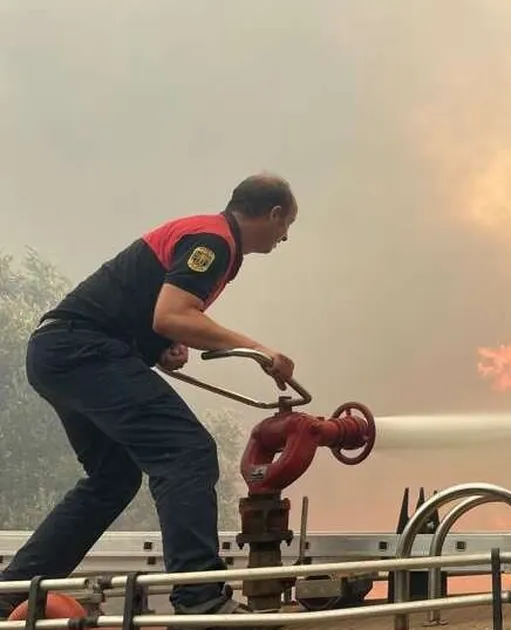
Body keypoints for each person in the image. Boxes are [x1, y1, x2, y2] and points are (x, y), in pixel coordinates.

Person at [0, 173, 299, 624]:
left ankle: (11, 594)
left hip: (59, 349)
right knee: (187, 450)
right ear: (273, 213)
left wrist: (159, 347)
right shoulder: (213, 241)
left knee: (114, 478)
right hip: (82, 349)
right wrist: (261, 350)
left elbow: (157, 316)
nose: (285, 236)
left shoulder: (210, 237)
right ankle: (199, 595)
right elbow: (173, 312)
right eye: (285, 226)